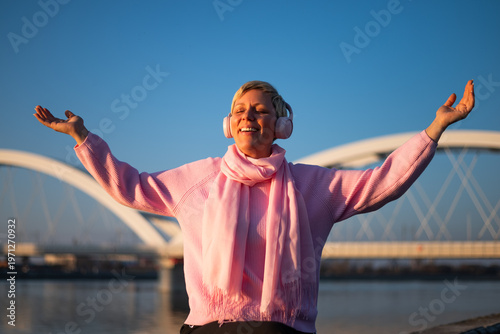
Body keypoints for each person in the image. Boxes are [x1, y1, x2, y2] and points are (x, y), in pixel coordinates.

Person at [34, 80, 475, 334]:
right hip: (206, 330)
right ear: (229, 125)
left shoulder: (310, 185)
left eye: (262, 111)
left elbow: (382, 183)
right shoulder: (198, 179)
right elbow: (131, 187)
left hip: (281, 332)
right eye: (240, 110)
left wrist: (435, 128)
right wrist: (83, 138)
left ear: (280, 125)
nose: (249, 116)